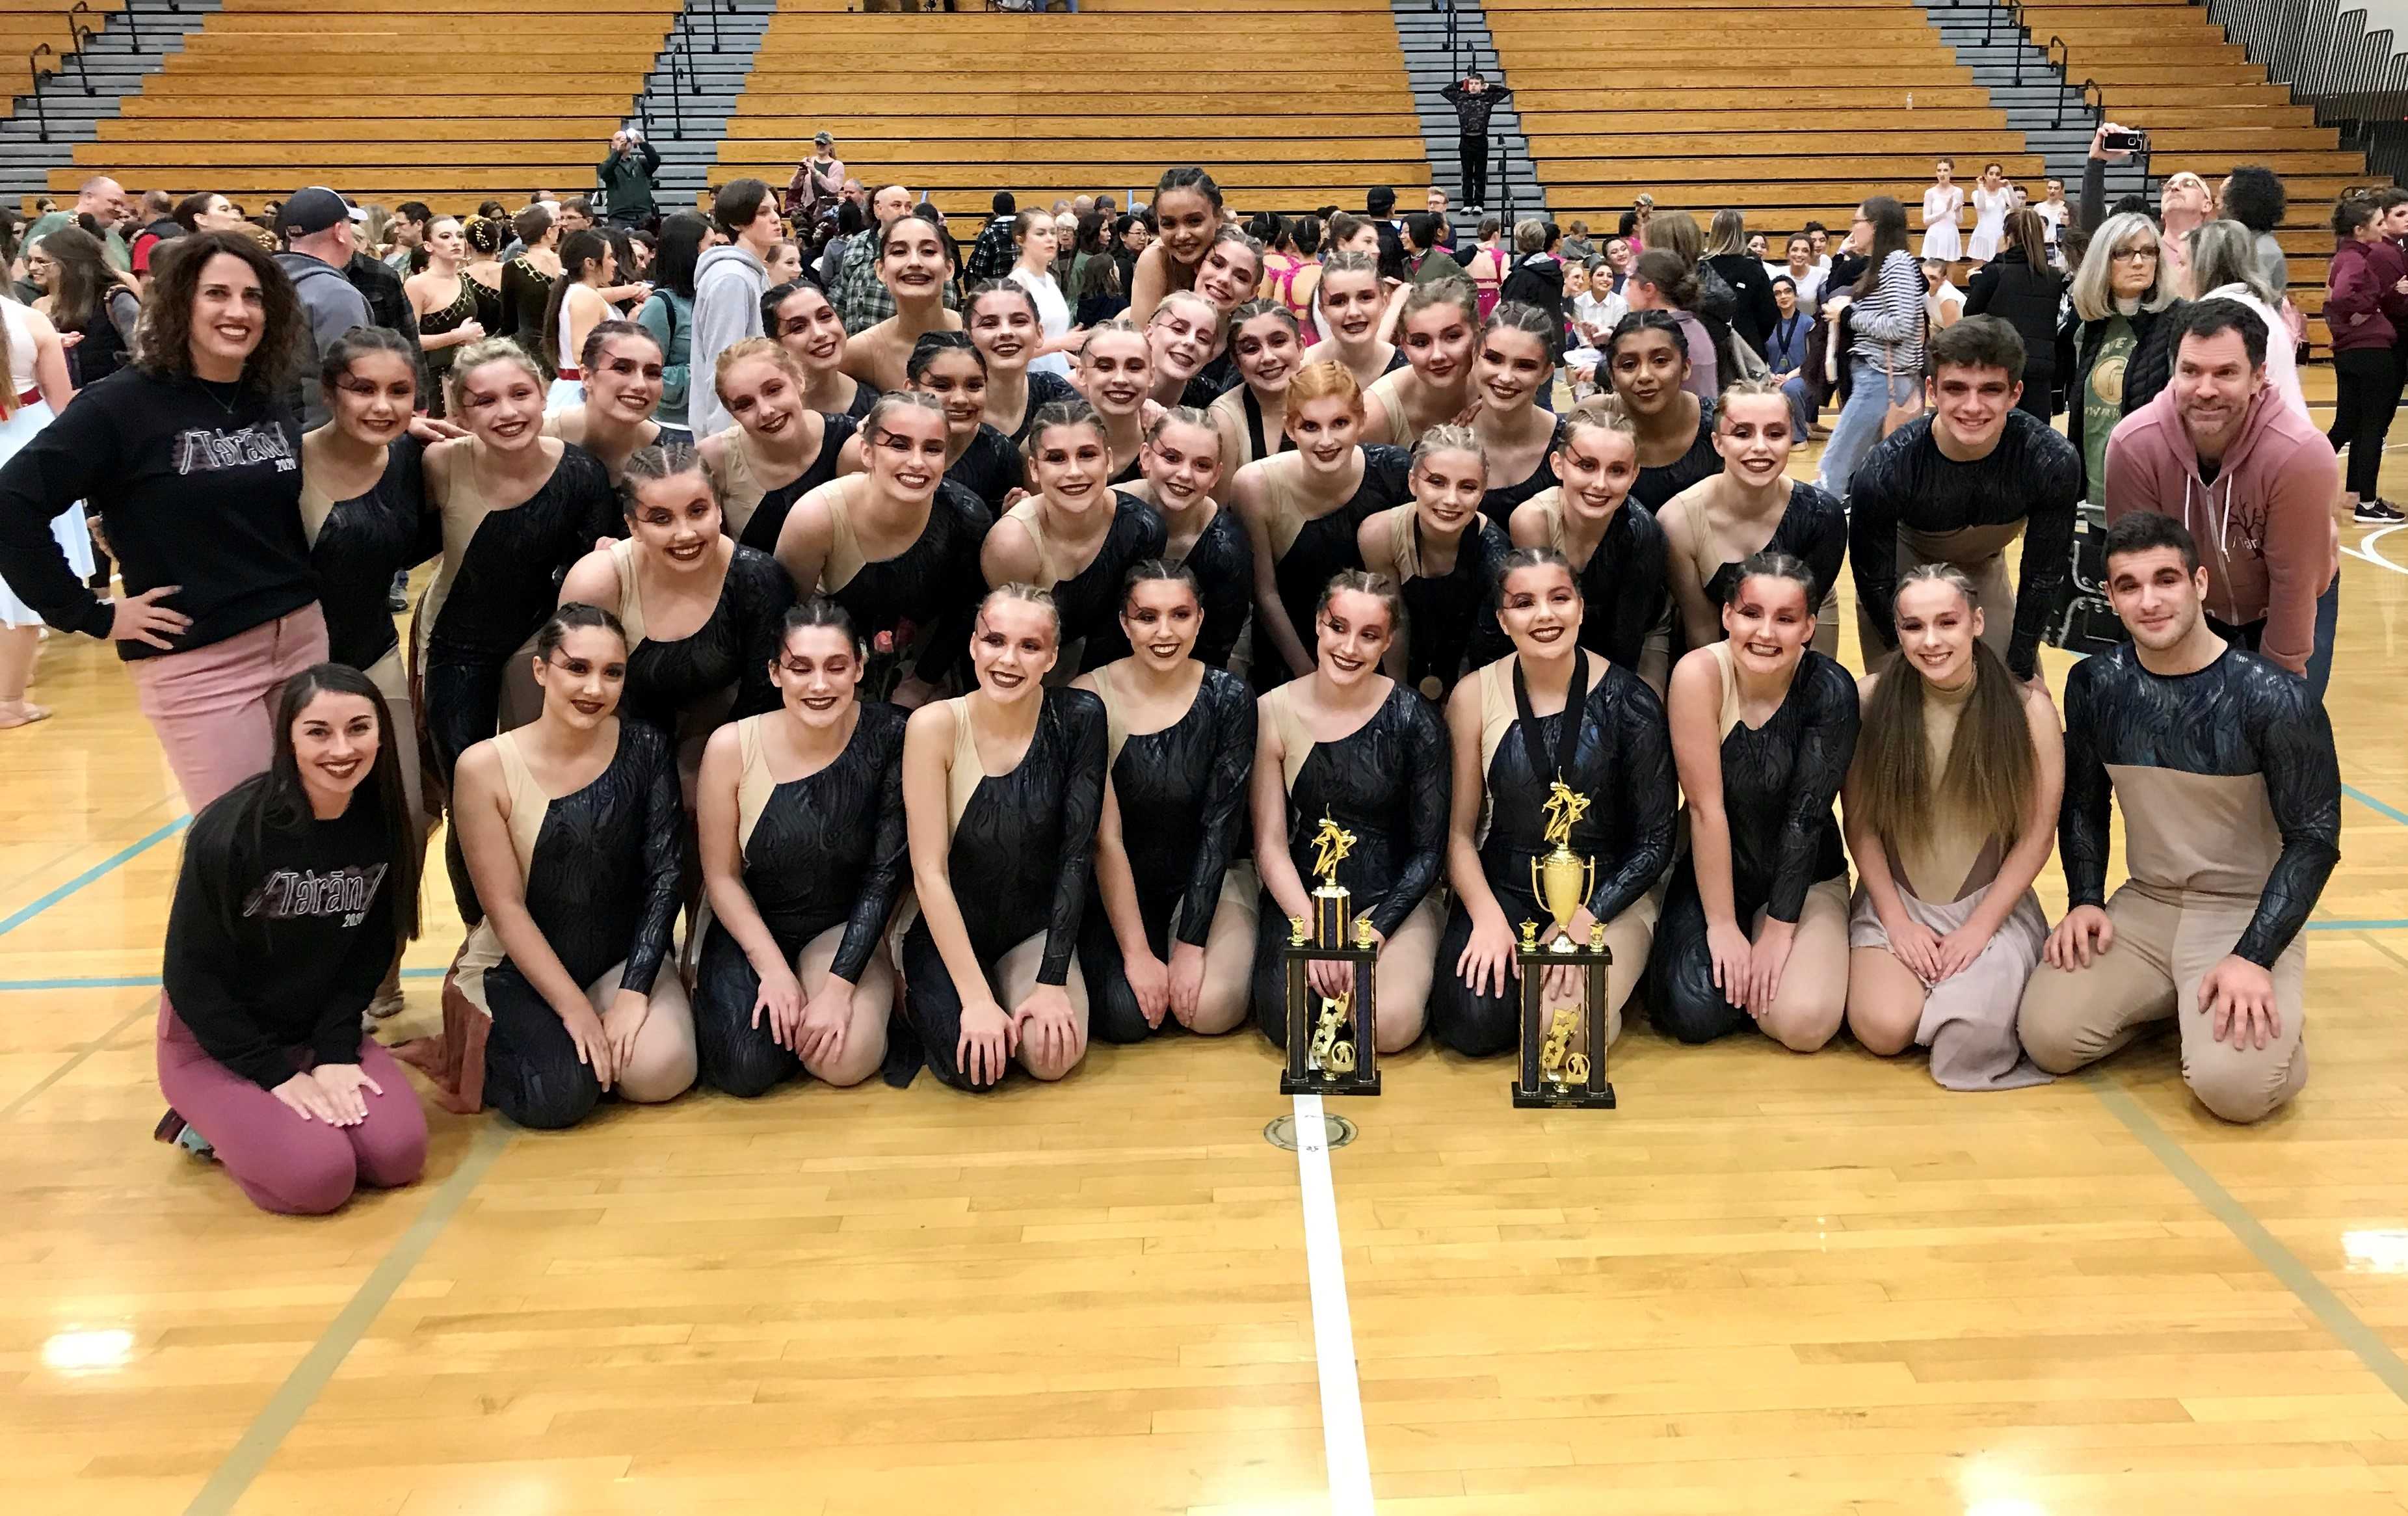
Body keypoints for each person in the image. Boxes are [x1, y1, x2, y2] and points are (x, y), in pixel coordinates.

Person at [2016, 513, 2338, 1123]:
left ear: (2199, 583)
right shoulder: (2095, 684)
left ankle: (2262, 1033)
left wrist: (2254, 955)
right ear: (2109, 597)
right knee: (2047, 1038)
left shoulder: (2275, 698)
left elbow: (2313, 841)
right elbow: (2084, 802)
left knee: (2233, 1092)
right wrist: (2085, 898)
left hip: (2245, 910)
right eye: (2129, 585)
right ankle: (2179, 1004)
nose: (2149, 600)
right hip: (2147, 904)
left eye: (2165, 579)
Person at [0, 232, 328, 808]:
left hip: (300, 641)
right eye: (217, 294)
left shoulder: (262, 397)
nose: (238, 311)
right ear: (180, 304)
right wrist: (89, 613)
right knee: (238, 846)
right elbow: (12, 502)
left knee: (306, 835)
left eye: (253, 297)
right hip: (200, 661)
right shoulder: (120, 405)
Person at [155, 665, 427, 1214]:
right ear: (289, 738)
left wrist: (332, 1052)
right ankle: (204, 1125)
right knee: (319, 1179)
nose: (342, 749)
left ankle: (265, 1122)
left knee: (398, 1156)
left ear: (382, 734)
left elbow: (368, 954)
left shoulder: (383, 823)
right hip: (216, 1044)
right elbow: (191, 975)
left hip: (310, 1029)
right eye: (319, 732)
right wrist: (272, 1074)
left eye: (358, 728)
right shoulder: (232, 832)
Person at [414, 605, 694, 1125]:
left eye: (612, 672)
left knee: (662, 1072)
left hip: (614, 958)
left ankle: (600, 1037)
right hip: (517, 966)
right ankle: (497, 1045)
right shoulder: (483, 766)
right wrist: (576, 1011)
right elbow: (505, 909)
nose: (595, 688)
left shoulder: (646, 746)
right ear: (541, 670)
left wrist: (634, 990)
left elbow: (665, 877)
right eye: (577, 668)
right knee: (560, 1097)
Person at [1429, 548, 1673, 1056]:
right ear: (1502, 618)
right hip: (1507, 886)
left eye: (1558, 598)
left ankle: (1619, 974)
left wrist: (1588, 919)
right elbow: (1457, 833)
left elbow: (1654, 842)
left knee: (1559, 1038)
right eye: (1523, 602)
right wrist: (1487, 917)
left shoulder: (1632, 701)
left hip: (1607, 890)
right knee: (1473, 1025)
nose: (1544, 615)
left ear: (1580, 607)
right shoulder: (1473, 695)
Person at [1842, 566, 2062, 1089]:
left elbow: (2037, 834)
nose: (1931, 640)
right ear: (1896, 632)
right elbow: (1860, 825)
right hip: (1897, 900)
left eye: (1947, 622)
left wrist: (1978, 928)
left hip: (1987, 905)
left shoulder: (2029, 710)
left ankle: (1978, 985)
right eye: (1913, 626)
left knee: (1964, 1038)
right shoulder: (1867, 700)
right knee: (1884, 1028)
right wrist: (1896, 922)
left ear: (1977, 622)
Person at [417, 339, 616, 903]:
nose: (506, 412)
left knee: (548, 788)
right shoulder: (439, 464)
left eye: (519, 394)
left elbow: (589, 587)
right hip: (458, 643)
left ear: (543, 391)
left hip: (540, 643)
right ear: (458, 413)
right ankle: (480, 929)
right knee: (469, 793)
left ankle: (558, 913)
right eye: (484, 402)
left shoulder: (580, 473)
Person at [899, 585, 1107, 1090]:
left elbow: (1077, 854)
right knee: (977, 1070)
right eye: (995, 641)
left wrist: (1052, 978)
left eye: (1029, 646)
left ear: (1052, 656)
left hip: (1031, 928)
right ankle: (910, 993)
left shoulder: (1080, 717)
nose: (1008, 660)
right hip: (950, 925)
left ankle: (1012, 992)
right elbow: (928, 873)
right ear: (972, 646)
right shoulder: (933, 726)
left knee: (1050, 1056)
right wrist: (973, 999)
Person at [691, 600, 901, 1096]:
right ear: (774, 672)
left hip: (841, 922)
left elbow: (885, 874)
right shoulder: (730, 747)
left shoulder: (892, 735)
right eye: (800, 668)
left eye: (836, 666)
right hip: (755, 920)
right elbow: (720, 876)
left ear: (860, 667)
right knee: (745, 1069)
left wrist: (837, 988)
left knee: (844, 1060)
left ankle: (874, 992)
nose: (820, 685)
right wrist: (773, 972)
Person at [1653, 552, 1855, 1050]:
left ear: (1809, 627)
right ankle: (1728, 963)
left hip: (1808, 875)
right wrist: (1722, 924)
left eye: (1785, 619)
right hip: (1718, 867)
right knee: (1692, 1011)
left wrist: (1779, 931)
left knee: (1803, 1024)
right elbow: (1705, 809)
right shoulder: (1698, 675)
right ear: (1726, 616)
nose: (1765, 632)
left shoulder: (1830, 688)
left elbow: (1805, 820)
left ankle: (1778, 971)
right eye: (1750, 613)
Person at [1248, 571, 1448, 1052]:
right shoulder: (1271, 711)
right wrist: (1314, 929)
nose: (1349, 647)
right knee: (1291, 1023)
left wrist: (1376, 931)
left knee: (1384, 1025)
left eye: (1369, 635)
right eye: (1338, 627)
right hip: (1306, 898)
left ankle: (1416, 956)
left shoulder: (1414, 718)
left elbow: (1428, 852)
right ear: (1318, 624)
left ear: (1388, 642)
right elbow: (1269, 844)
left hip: (1391, 896)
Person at [2104, 299, 2342, 700]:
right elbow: (2140, 574)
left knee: (2283, 728)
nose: (2206, 390)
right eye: (2191, 371)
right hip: (2190, 609)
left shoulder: (2301, 455)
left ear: (2258, 377)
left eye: (2226, 373)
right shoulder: (2134, 446)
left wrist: (2278, 696)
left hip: (2289, 600)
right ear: (2173, 371)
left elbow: (2293, 583)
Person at [1072, 563, 1258, 1041]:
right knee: (1124, 1016)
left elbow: (1220, 828)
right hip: (1118, 883)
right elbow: (1103, 840)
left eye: (1179, 615)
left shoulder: (1229, 696)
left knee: (1209, 1009)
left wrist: (1190, 944)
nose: (1164, 632)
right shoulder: (1087, 699)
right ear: (1123, 623)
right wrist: (1136, 954)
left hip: (1207, 877)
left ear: (1199, 619)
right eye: (1147, 617)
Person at [1847, 317, 2080, 683]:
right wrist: (1906, 661)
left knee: (2015, 696)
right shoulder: (1888, 466)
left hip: (1984, 569)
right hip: (1902, 571)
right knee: (1902, 700)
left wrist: (2019, 668)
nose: (1972, 407)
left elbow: (2043, 574)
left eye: (1990, 390)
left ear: (2015, 393)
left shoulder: (2048, 459)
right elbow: (1873, 580)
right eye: (1956, 389)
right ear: (1932, 391)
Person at [557, 436, 792, 758]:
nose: (685, 534)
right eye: (661, 519)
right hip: (614, 735)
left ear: (719, 510)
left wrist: (713, 765)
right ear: (632, 527)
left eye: (698, 511)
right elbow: (575, 696)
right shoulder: (597, 582)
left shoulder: (758, 578)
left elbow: (763, 697)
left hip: (718, 733)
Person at [298, 327, 432, 862]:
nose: (382, 406)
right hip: (287, 668)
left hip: (373, 655)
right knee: (304, 824)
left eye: (398, 391)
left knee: (407, 818)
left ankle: (386, 944)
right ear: (330, 392)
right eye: (363, 389)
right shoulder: (286, 462)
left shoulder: (413, 461)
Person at [776, 392, 991, 705]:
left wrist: (923, 681)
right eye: (899, 445)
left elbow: (969, 609)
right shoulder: (816, 517)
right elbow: (786, 620)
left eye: (932, 449)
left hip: (923, 663)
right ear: (867, 451)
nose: (917, 462)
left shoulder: (967, 515)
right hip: (832, 670)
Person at [1229, 360, 1414, 689]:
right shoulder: (1254, 485)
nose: (1326, 440)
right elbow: (1266, 595)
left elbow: (1403, 594)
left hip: (1377, 653)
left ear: (1362, 421)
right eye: (1311, 426)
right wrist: (1312, 682)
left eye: (1340, 423)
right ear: (1290, 428)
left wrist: (1396, 688)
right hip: (1292, 660)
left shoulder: (1394, 471)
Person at [1660, 380, 1847, 656]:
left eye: (1775, 434)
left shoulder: (1822, 516)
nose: (1760, 447)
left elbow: (1801, 631)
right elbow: (1701, 629)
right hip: (1717, 646)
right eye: (1743, 434)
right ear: (1718, 443)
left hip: (1798, 637)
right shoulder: (1679, 519)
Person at [981, 400, 1167, 668]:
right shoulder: (1011, 543)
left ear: (1110, 460)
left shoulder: (1142, 527)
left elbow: (1124, 629)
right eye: (1056, 458)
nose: (1074, 472)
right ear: (1034, 469)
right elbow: (1008, 645)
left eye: (1087, 455)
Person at [1508, 401, 1673, 693]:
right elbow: (1545, 615)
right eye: (1587, 465)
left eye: (1617, 471)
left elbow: (1628, 639)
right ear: (1558, 465)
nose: (1600, 484)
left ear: (1634, 475)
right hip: (1559, 626)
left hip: (1642, 633)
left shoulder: (1644, 533)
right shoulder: (1532, 521)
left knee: (1638, 711)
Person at [1358, 425, 1510, 702]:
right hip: (1404, 661)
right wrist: (1400, 699)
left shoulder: (1495, 554)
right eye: (1437, 482)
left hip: (1471, 671)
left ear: (1483, 492)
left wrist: (1458, 705)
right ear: (1413, 482)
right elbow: (1394, 620)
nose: (1451, 500)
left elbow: (1483, 648)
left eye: (1467, 487)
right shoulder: (1379, 534)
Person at [1098, 408, 1250, 671]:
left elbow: (1214, 653)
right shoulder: (1105, 511)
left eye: (1202, 465)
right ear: (1145, 457)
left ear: (1216, 475)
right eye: (1172, 458)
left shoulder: (1227, 547)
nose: (1185, 474)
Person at [2063, 209, 2182, 505]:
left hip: (2154, 495)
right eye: (2124, 253)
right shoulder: (2089, 327)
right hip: (2096, 492)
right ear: (2103, 260)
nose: (2139, 262)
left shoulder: (2179, 323)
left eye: (2148, 252)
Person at [701, 336, 857, 560]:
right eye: (745, 404)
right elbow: (717, 557)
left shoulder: (849, 440)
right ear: (732, 413)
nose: (766, 410)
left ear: (799, 380)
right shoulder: (714, 459)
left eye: (774, 390)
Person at [0, 291, 79, 728]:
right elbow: (65, 406)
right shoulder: (30, 320)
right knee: (22, 575)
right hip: (28, 443)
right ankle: (9, 698)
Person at [1815, 196, 1927, 500]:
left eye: (1857, 222)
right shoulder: (1885, 264)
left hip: (1881, 379)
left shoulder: (1897, 263)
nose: (1853, 229)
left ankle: (1814, 531)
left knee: (1833, 468)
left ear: (1874, 227)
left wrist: (1848, 315)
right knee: (1880, 470)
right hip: (1881, 378)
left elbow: (1900, 326)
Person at [2322, 196, 2408, 524]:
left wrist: (2383, 296)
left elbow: (2334, 300)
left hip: (2352, 351)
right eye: (2380, 223)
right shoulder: (2357, 260)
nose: (2385, 228)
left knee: (2346, 423)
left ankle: (2302, 475)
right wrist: (2371, 304)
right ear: (2361, 230)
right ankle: (2368, 504)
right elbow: (2343, 297)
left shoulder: (2345, 256)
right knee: (2372, 427)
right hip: (2370, 351)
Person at [270, 189, 374, 428]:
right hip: (318, 439)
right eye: (349, 225)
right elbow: (352, 379)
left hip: (265, 438)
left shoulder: (261, 282)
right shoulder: (337, 296)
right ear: (339, 232)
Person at [2187, 218, 2307, 425]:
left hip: (2271, 437)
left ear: (2202, 267)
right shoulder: (2260, 304)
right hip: (2290, 430)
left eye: (2182, 263)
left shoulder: (2219, 316)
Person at [688, 179, 781, 441]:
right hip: (731, 431)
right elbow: (722, 365)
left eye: (775, 210)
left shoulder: (749, 271)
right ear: (737, 222)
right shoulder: (732, 278)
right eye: (764, 212)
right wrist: (725, 441)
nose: (776, 219)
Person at [1602, 313, 1719, 512]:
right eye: (1629, 365)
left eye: (1660, 361)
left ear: (1685, 367)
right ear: (1612, 377)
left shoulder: (1719, 424)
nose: (1645, 376)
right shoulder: (1593, 423)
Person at [843, 209, 965, 395]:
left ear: (949, 269)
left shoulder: (977, 336)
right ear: (881, 270)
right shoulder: (860, 351)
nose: (915, 262)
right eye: (900, 252)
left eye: (928, 251)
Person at [1962, 209, 2063, 421]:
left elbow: (1970, 312)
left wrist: (1976, 282)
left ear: (2008, 238)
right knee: (2037, 438)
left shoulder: (1996, 272)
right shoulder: (2053, 277)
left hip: (2002, 364)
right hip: (2041, 367)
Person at [1361, 278, 1479, 447]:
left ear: (1477, 334)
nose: (1437, 356)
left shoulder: (1497, 387)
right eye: (1421, 343)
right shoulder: (1376, 412)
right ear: (1405, 348)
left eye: (1452, 337)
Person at [25, 225, 139, 395]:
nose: (35, 268)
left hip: (114, 403)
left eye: (43, 262)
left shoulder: (116, 297)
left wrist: (99, 391)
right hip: (76, 406)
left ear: (69, 263)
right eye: (31, 261)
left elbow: (144, 357)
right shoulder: (57, 302)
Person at [966, 280, 1078, 444]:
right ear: (967, 338)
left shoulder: (1054, 392)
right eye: (990, 324)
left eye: (1019, 321)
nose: (1006, 332)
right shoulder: (952, 404)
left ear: (1039, 334)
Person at [403, 217, 488, 419]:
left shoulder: (464, 279)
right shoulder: (417, 284)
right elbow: (408, 341)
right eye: (446, 236)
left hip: (464, 374)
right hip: (430, 381)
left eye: (460, 236)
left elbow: (469, 330)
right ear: (428, 245)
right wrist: (457, 336)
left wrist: (474, 338)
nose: (456, 242)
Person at [1208, 300, 1303, 473]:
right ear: (1236, 362)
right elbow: (1220, 501)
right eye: (1252, 349)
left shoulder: (1330, 396)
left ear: (1300, 347)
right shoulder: (1225, 419)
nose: (1268, 357)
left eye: (1279, 342)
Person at [636, 211, 705, 443]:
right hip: (674, 428)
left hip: (712, 421)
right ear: (690, 251)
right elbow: (647, 374)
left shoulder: (708, 297)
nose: (719, 253)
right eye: (711, 245)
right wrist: (706, 370)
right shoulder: (660, 305)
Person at [1130, 167, 1225, 323]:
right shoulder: (1156, 259)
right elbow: (1142, 340)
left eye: (1194, 221)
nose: (1182, 235)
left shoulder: (1235, 250)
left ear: (1218, 217)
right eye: (1169, 224)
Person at [765, 276, 869, 420]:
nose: (820, 334)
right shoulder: (767, 413)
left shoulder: (874, 405)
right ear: (775, 344)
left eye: (825, 316)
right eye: (799, 327)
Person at [536, 230, 619, 410]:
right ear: (590, 263)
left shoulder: (580, 293)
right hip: (581, 394)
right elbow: (580, 353)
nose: (615, 263)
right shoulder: (584, 297)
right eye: (610, 257)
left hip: (579, 389)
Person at [1619, 252, 1719, 400]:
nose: (1626, 294)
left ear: (1648, 290)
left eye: (1630, 285)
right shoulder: (1693, 324)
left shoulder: (1661, 334)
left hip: (1682, 419)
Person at [1299, 250, 1397, 390]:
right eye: (1339, 302)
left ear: (1383, 303)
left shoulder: (1408, 367)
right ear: (1323, 311)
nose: (1353, 312)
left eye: (1365, 298)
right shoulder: (1302, 368)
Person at [1004, 211, 1077, 381]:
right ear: (1020, 240)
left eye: (1053, 232)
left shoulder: (1050, 279)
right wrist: (1062, 342)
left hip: (1058, 376)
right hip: (1030, 380)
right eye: (1041, 233)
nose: (1050, 238)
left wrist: (1082, 363)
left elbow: (1052, 346)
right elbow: (1013, 352)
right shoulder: (1017, 283)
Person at [1702, 209, 1779, 358]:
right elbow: (1769, 317)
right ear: (1740, 234)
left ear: (1713, 232)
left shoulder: (1699, 268)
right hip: (1747, 350)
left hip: (1707, 348)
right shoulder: (1754, 269)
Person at [1440, 71, 1513, 209]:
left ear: (1481, 85)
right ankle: (1467, 203)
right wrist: (1462, 83)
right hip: (1466, 140)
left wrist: (1488, 86)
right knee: (1467, 173)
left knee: (1480, 173)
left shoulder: (1487, 98)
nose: (1473, 86)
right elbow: (1444, 91)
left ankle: (1479, 203)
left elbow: (1505, 91)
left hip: (1481, 139)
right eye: (1471, 83)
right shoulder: (1460, 98)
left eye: (1476, 84)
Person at [497, 204, 561, 345]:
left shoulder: (513, 267)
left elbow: (509, 321)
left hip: (530, 347)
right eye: (556, 225)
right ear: (549, 232)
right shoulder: (567, 262)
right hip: (565, 344)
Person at [1766, 276, 1814, 440]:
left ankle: (1799, 438)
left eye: (1788, 291)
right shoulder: (1766, 324)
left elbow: (1812, 359)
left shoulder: (1808, 323)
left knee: (1791, 389)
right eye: (1777, 294)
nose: (1783, 296)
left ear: (1795, 295)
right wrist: (1771, 376)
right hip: (1772, 376)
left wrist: (1788, 377)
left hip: (1801, 376)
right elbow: (1759, 357)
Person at [598, 128, 662, 229]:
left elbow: (655, 161)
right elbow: (605, 173)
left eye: (625, 139)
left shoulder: (640, 163)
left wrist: (643, 144)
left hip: (644, 215)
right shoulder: (607, 166)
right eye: (619, 139)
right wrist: (618, 153)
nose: (623, 141)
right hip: (619, 217)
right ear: (612, 145)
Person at [785, 131, 845, 226]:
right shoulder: (808, 161)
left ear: (830, 145)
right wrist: (798, 176)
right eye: (818, 143)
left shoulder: (837, 165)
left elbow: (833, 188)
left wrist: (816, 173)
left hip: (828, 212)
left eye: (823, 144)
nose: (820, 146)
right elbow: (793, 187)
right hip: (808, 210)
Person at [966, 190, 1020, 283]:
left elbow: (979, 268)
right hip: (1023, 289)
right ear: (1014, 208)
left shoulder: (988, 234)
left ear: (995, 211)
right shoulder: (1026, 231)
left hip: (996, 289)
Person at [1966, 163, 2013, 263]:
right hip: (1982, 234)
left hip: (2000, 234)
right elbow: (1981, 207)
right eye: (1991, 174)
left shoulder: (2003, 192)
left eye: (1997, 174)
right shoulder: (1976, 193)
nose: (1994, 177)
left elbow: (2016, 207)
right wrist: (1980, 186)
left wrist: (2009, 187)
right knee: (1978, 270)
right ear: (1986, 176)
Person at [1920, 159, 1964, 263]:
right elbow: (1926, 221)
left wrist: (1957, 211)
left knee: (1949, 274)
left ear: (1951, 172)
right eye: (1939, 170)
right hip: (1935, 235)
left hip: (1950, 234)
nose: (1942, 174)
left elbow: (1959, 221)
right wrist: (1944, 211)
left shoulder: (1958, 192)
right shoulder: (1930, 193)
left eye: (1945, 170)